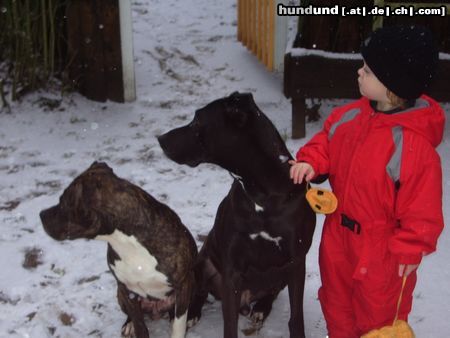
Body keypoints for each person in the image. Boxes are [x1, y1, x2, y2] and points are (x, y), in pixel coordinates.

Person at [289, 25, 445, 337]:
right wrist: (311, 161)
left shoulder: (411, 146)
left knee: (378, 316)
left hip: (382, 254)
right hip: (337, 239)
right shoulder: (349, 117)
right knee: (336, 303)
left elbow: (422, 208)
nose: (359, 73)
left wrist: (411, 248)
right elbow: (326, 142)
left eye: (369, 70)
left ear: (393, 87)